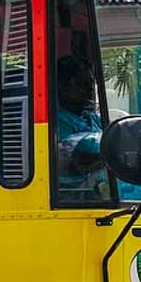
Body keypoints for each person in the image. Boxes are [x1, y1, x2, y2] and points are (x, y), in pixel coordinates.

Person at [55, 56, 106, 199]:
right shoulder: (56, 124)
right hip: (75, 197)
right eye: (81, 84)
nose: (89, 89)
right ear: (62, 87)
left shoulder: (93, 118)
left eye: (91, 83)